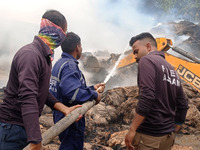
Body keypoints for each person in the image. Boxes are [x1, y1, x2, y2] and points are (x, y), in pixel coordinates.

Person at [0, 10, 81, 150]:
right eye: (64, 31)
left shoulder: (44, 56)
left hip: (22, 126)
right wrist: (36, 139)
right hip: (12, 128)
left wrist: (63, 108)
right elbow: (28, 96)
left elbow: (41, 91)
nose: (64, 37)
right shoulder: (31, 55)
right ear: (56, 30)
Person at [125, 32, 189, 150]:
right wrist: (177, 126)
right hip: (168, 138)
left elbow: (147, 96)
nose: (134, 56)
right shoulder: (171, 69)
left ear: (148, 46)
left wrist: (132, 129)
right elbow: (183, 104)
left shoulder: (146, 61)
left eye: (136, 51)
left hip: (149, 137)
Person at [49, 32, 105, 150]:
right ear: (77, 47)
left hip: (60, 113)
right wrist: (95, 95)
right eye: (81, 46)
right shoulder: (70, 66)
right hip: (71, 117)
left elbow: (68, 87)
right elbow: (72, 94)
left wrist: (91, 88)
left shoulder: (60, 63)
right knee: (71, 146)